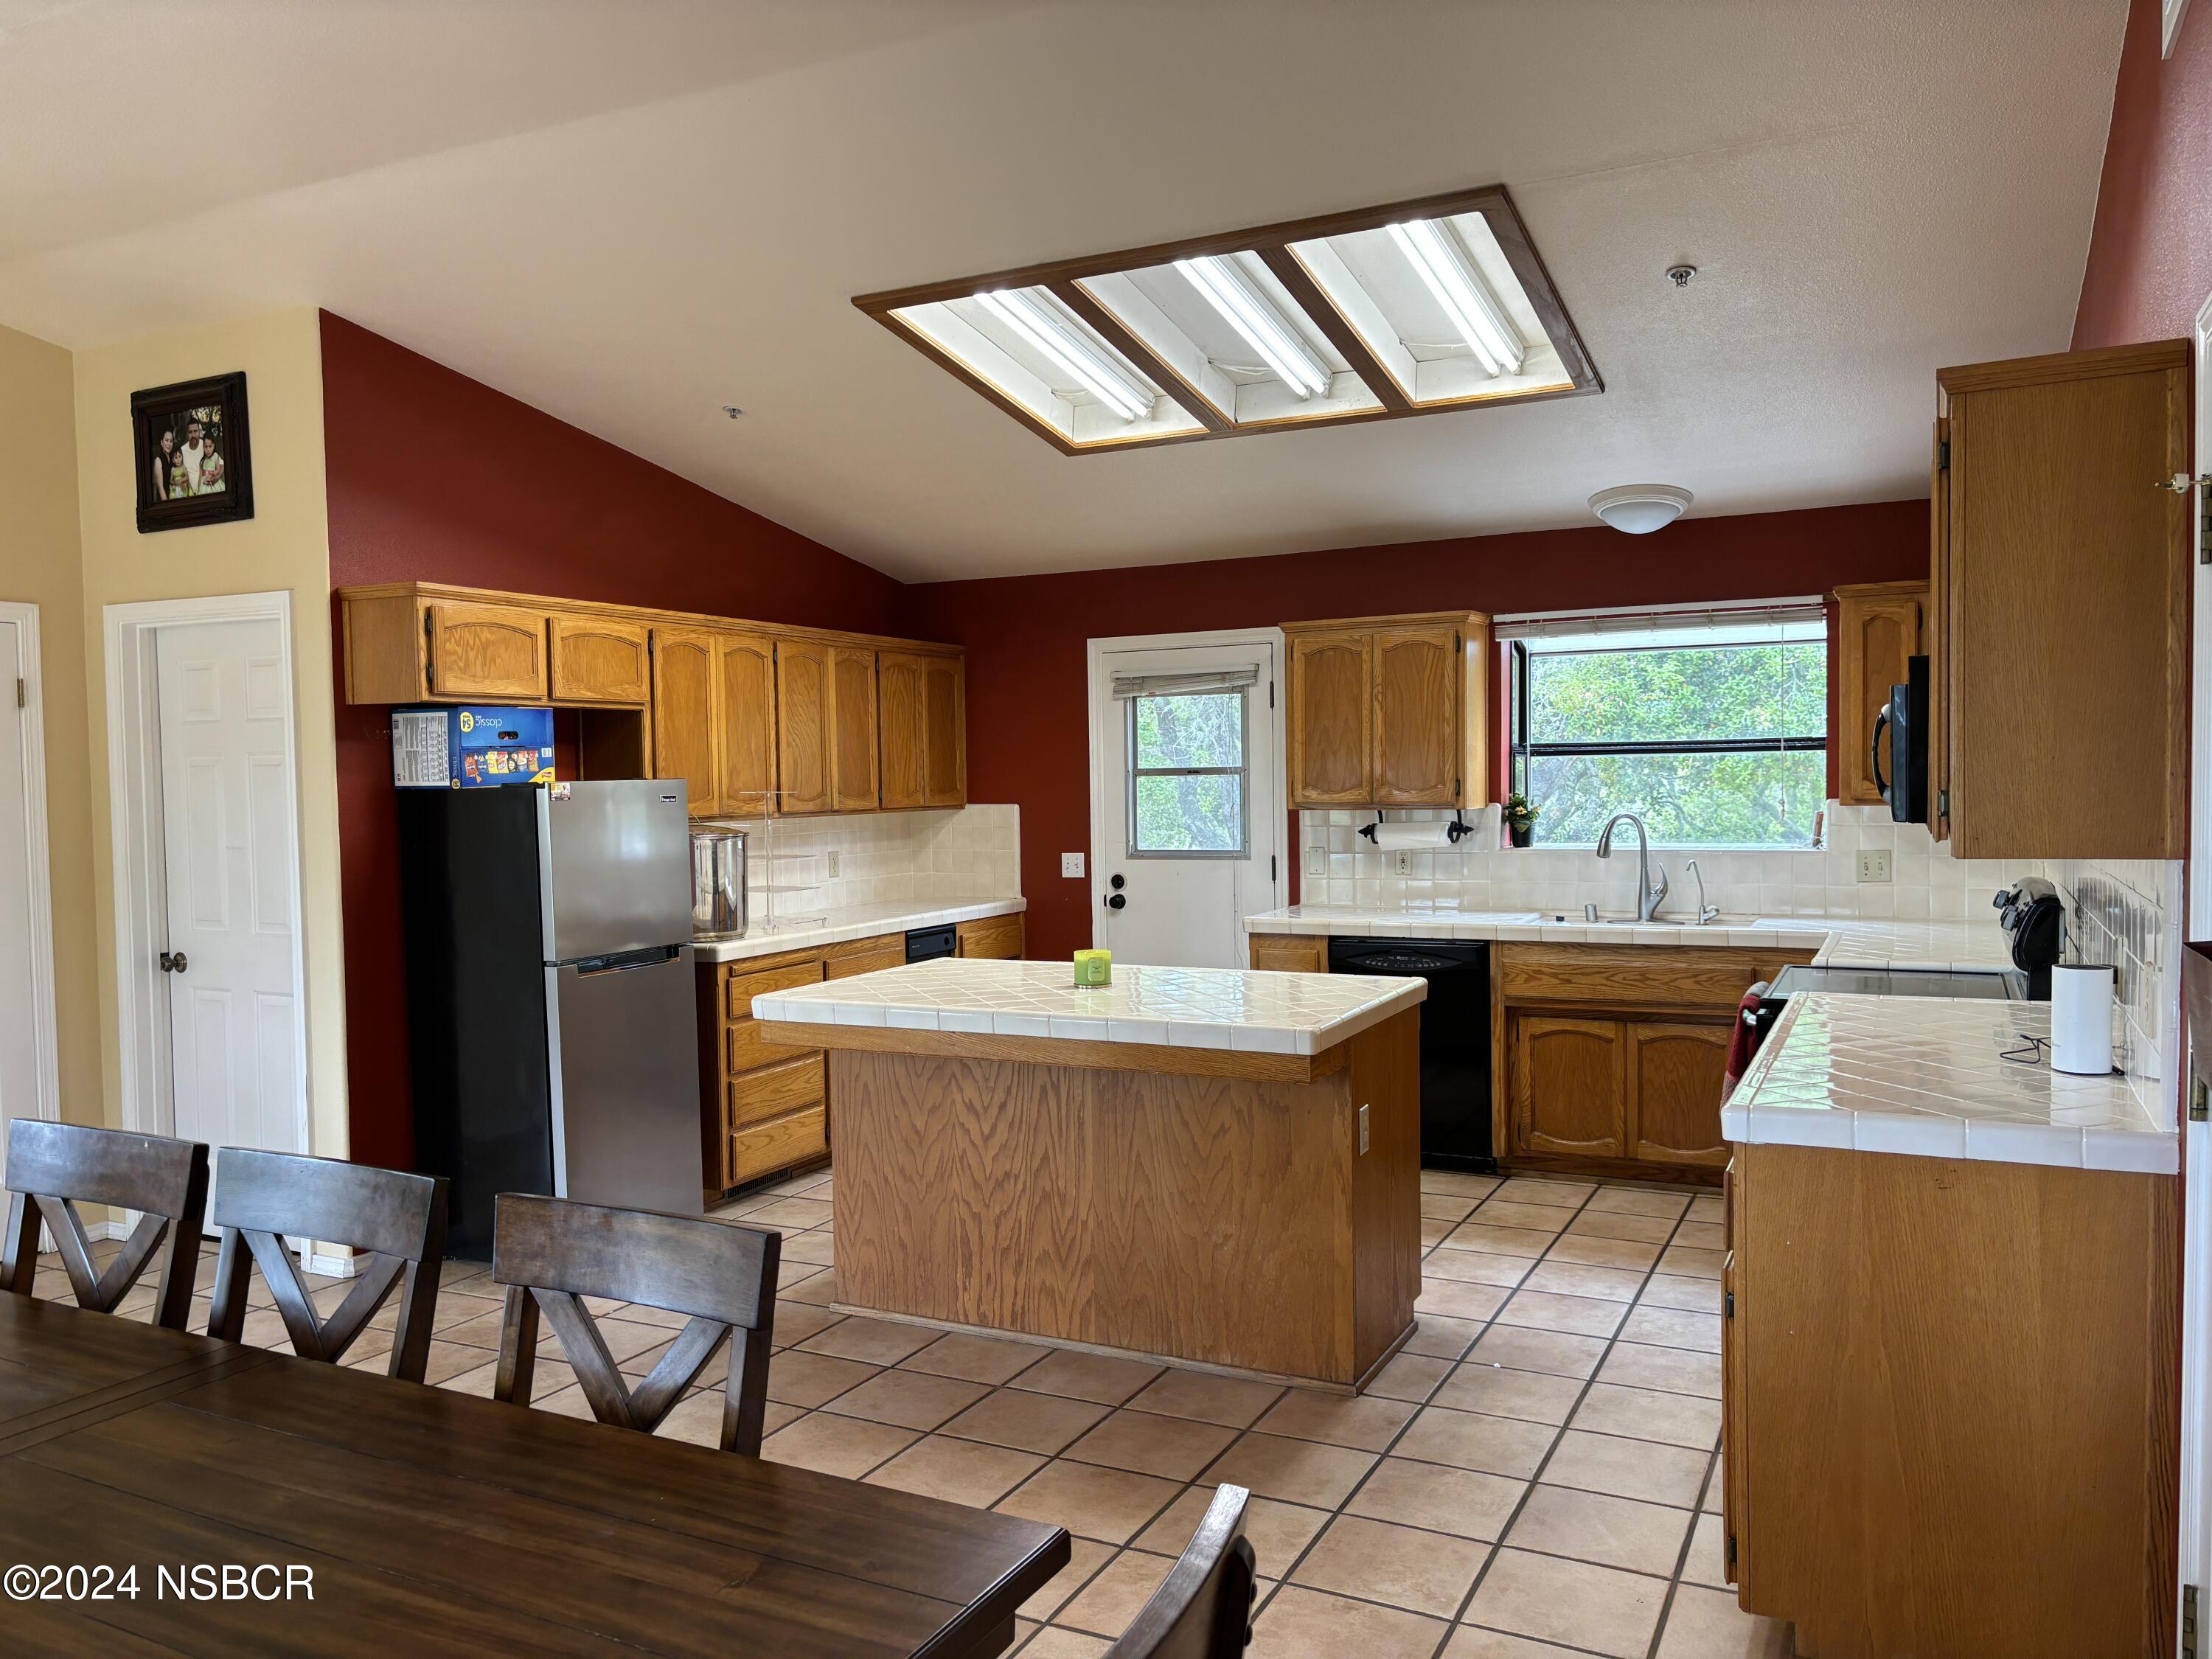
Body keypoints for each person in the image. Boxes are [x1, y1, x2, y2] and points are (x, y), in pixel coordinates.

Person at [178, 417, 223, 495]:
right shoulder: (182, 451)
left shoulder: (206, 445)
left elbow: (221, 464)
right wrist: (184, 482)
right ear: (187, 434)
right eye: (190, 432)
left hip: (207, 490)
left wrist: (217, 478)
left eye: (195, 431)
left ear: (199, 431)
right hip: (191, 493)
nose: (193, 435)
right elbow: (180, 471)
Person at [148, 429, 175, 499]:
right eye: (166, 440)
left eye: (171, 441)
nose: (169, 444)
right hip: (164, 499)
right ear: (161, 442)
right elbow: (160, 487)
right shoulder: (158, 460)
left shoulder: (174, 458)